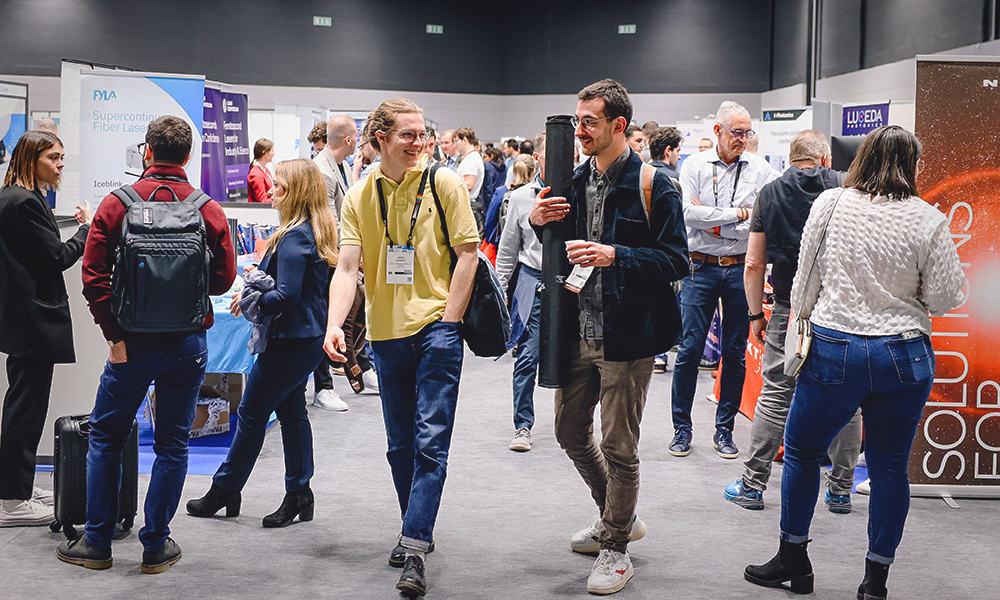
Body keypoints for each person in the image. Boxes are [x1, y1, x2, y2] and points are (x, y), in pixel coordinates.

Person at [745, 125, 967, 600]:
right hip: (903, 352)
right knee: (889, 467)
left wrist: (796, 328)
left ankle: (794, 558)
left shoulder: (830, 204)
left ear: (861, 158)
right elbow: (948, 297)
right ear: (912, 165)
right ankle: (875, 582)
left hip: (835, 346)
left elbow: (805, 282)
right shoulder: (928, 218)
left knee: (803, 452)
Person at [529, 79, 688, 595]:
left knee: (619, 446)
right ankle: (617, 517)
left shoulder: (654, 184)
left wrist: (615, 255)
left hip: (628, 335)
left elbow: (677, 260)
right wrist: (537, 220)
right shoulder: (575, 181)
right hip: (579, 330)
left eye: (588, 122)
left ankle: (616, 546)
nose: (579, 131)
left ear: (618, 125)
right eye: (577, 121)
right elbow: (556, 244)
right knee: (569, 432)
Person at [60, 116, 236, 573]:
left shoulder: (117, 204)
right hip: (187, 345)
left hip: (130, 346)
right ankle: (156, 545)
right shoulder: (208, 209)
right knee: (172, 445)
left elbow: (93, 278)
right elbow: (223, 279)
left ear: (147, 151)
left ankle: (97, 543)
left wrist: (114, 336)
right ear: (189, 156)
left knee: (107, 438)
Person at [324, 98, 478, 597]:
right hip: (386, 335)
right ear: (381, 139)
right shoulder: (359, 193)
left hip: (436, 330)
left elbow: (469, 255)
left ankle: (413, 548)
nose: (418, 143)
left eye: (422, 134)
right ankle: (416, 527)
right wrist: (334, 324)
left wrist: (450, 323)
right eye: (407, 134)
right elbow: (348, 267)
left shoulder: (444, 183)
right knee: (399, 447)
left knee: (431, 442)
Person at [187, 158, 338, 529]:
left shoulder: (294, 236)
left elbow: (286, 295)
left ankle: (225, 489)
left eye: (279, 185)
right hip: (303, 338)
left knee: (253, 413)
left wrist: (251, 299)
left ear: (295, 191)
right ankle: (298, 492)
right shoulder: (308, 231)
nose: (271, 190)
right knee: (292, 414)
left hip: (291, 341)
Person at [723, 130, 862, 512]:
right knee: (847, 401)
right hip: (838, 312)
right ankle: (840, 490)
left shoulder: (769, 193)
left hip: (788, 309)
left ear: (791, 159)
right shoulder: (845, 187)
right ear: (825, 158)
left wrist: (755, 314)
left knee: (775, 395)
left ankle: (753, 485)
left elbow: (754, 263)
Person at [669, 101, 775, 460]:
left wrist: (715, 222)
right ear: (718, 131)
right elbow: (687, 213)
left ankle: (724, 429)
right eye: (737, 132)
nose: (743, 139)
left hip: (742, 269)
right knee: (689, 350)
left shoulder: (762, 170)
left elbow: (763, 220)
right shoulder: (694, 165)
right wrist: (739, 214)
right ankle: (681, 429)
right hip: (699, 268)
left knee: (734, 352)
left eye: (747, 133)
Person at [0, 131, 92, 527]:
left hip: (24, 319)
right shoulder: (23, 202)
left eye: (61, 157)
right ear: (30, 158)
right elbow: (57, 257)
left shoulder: (16, 198)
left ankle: (15, 487)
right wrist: (87, 230)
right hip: (32, 321)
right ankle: (11, 500)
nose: (60, 165)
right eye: (53, 157)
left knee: (25, 407)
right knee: (25, 410)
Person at [494, 145, 542, 452]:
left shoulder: (581, 191)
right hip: (531, 281)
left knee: (580, 361)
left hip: (572, 285)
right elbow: (508, 250)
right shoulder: (521, 197)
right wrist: (500, 294)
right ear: (537, 157)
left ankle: (578, 425)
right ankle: (522, 425)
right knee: (526, 356)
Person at [455, 126, 486, 237]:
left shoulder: (471, 159)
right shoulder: (472, 157)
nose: (456, 144)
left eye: (457, 141)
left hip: (468, 206)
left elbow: (469, 184)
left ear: (465, 140)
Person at [248, 138, 275, 203]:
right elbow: (262, 201)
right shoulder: (256, 174)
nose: (274, 154)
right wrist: (280, 201)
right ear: (264, 153)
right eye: (272, 151)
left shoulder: (265, 170)